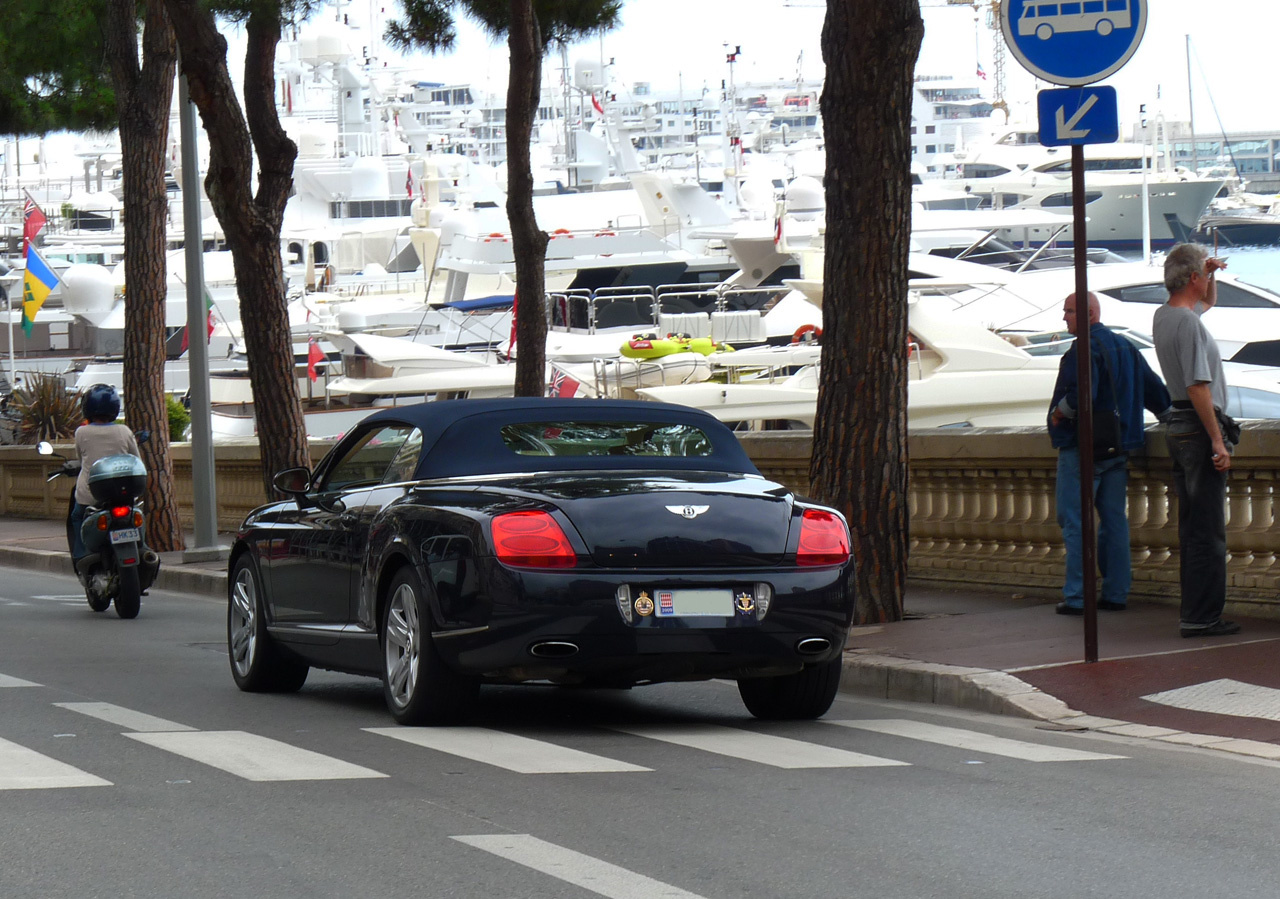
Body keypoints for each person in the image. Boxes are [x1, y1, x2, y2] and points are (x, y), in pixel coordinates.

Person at [1048, 291, 1171, 616]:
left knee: (1074, 521)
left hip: (1082, 447)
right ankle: (1116, 592)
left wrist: (1060, 414)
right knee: (1114, 520)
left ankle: (1077, 596)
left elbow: (1079, 396)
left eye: (1070, 311)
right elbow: (1155, 391)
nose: (1064, 318)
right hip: (1119, 445)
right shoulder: (1124, 345)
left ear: (1089, 314)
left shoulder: (1082, 349)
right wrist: (1171, 419)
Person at [1152, 243, 1241, 638]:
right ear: (1193, 279)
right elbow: (1198, 386)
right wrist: (1218, 440)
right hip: (1197, 426)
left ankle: (1195, 611)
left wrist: (1212, 272)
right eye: (1203, 274)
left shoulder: (1165, 315)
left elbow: (1208, 303)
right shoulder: (1187, 324)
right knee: (1207, 528)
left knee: (1191, 526)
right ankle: (1203, 616)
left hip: (1177, 425)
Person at [70, 384, 141, 569]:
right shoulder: (124, 431)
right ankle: (142, 545)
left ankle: (82, 555)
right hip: (123, 493)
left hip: (91, 494)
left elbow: (80, 457)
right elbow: (136, 459)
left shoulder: (81, 432)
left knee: (77, 516)